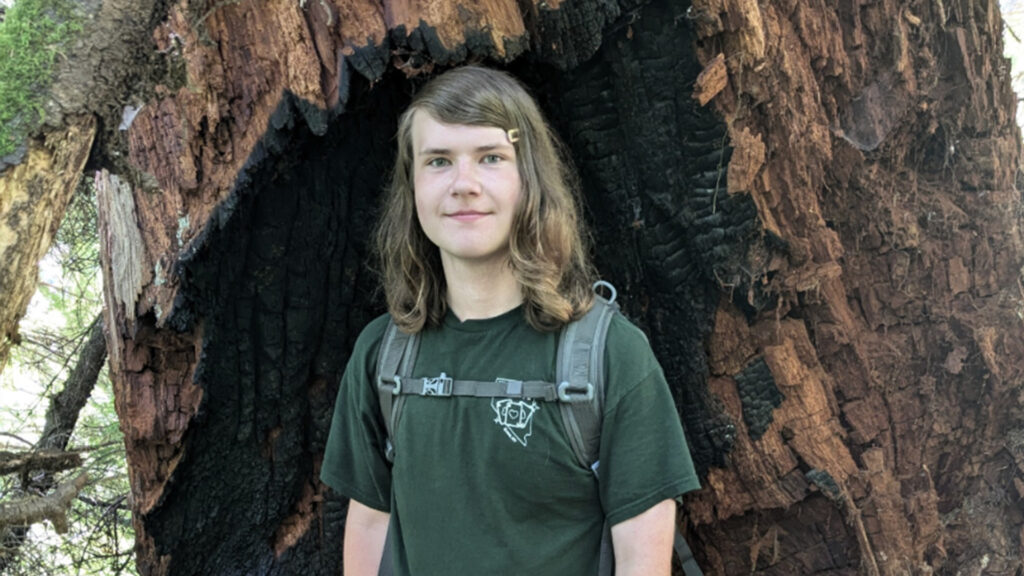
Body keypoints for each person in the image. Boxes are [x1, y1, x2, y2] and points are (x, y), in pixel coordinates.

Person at [321, 65, 700, 576]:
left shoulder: (609, 357)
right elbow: (370, 523)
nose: (464, 185)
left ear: (530, 180)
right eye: (438, 161)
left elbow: (641, 555)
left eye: (491, 158)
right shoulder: (383, 355)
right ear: (410, 187)